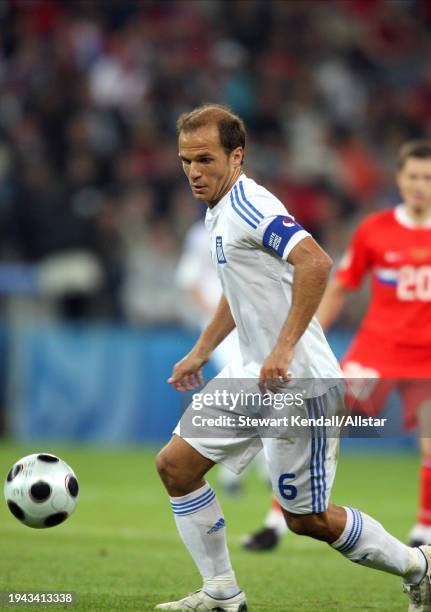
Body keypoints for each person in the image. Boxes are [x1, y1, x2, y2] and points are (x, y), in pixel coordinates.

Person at [155, 105, 430, 612]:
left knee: (307, 519)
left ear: (236, 157)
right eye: (185, 160)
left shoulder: (250, 205)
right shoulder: (218, 210)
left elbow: (316, 261)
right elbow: (237, 293)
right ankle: (222, 592)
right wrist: (201, 350)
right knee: (175, 466)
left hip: (299, 384)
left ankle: (419, 566)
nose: (194, 171)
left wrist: (282, 347)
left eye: (205, 159)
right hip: (250, 376)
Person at [242, 140, 431, 553]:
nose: (420, 185)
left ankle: (423, 532)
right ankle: (278, 518)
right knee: (315, 419)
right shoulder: (375, 230)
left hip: (427, 359)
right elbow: (341, 286)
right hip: (377, 351)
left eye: (428, 178)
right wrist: (299, 343)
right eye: (413, 176)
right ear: (399, 179)